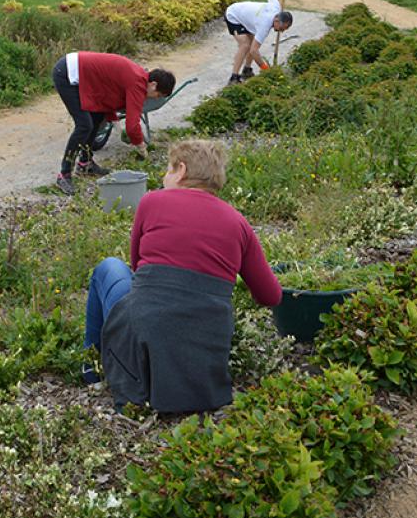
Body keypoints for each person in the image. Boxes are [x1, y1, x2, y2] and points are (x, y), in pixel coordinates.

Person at [82, 140, 281, 413]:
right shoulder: (239, 223)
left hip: (142, 333)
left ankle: (89, 366)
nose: (164, 177)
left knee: (109, 267)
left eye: (167, 169)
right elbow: (271, 296)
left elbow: (137, 267)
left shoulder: (152, 201)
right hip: (201, 366)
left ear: (181, 170)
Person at [52, 51, 175, 196]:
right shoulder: (137, 82)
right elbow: (132, 125)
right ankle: (64, 174)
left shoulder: (138, 76)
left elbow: (109, 94)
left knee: (97, 118)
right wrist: (141, 146)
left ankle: (85, 164)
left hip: (83, 74)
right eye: (158, 95)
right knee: (84, 126)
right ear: (153, 84)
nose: (155, 98)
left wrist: (113, 118)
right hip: (67, 73)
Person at [225, 0, 293, 84]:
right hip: (233, 15)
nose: (281, 31)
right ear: (276, 20)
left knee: (253, 42)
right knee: (246, 45)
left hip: (248, 18)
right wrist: (265, 68)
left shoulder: (276, 7)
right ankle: (234, 77)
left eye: (284, 29)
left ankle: (247, 70)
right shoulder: (265, 25)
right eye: (281, 28)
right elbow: (254, 51)